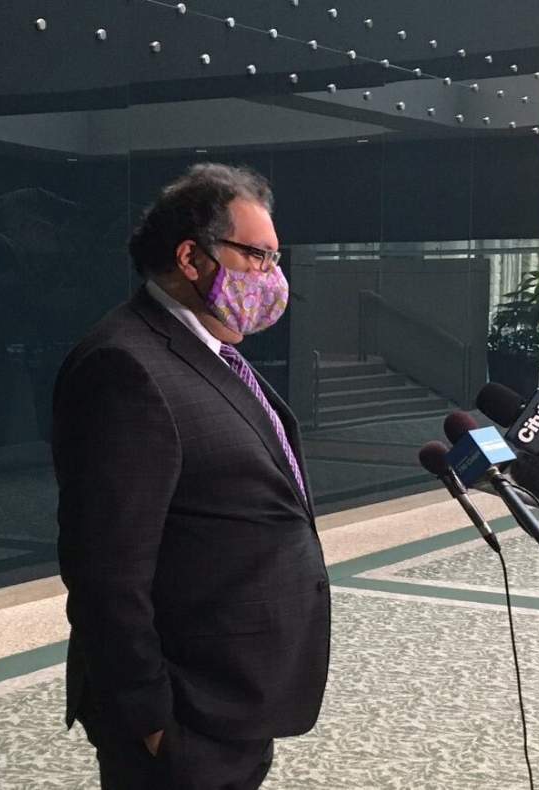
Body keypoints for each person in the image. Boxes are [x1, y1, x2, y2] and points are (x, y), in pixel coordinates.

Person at [52, 163, 331, 790]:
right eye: (259, 257)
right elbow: (105, 571)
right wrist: (151, 717)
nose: (272, 277)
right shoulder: (124, 366)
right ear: (191, 256)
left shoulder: (214, 353)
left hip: (236, 694)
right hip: (183, 711)